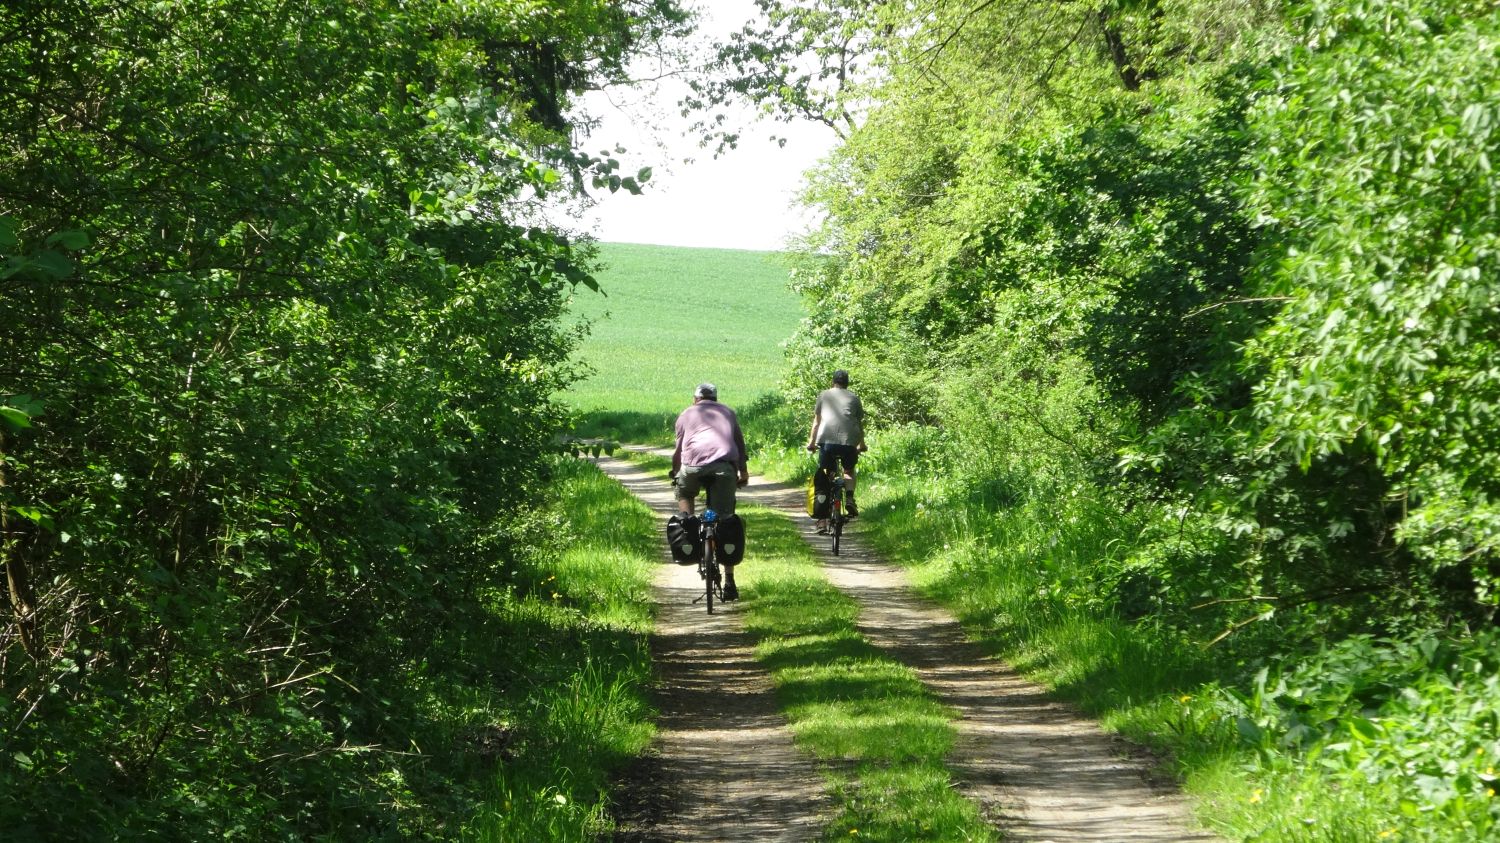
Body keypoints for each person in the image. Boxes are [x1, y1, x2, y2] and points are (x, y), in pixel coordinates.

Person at [670, 382, 749, 600]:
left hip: (692, 467)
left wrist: (675, 471)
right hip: (724, 467)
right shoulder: (728, 412)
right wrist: (743, 471)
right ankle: (730, 580)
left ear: (695, 398)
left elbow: (679, 450)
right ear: (716, 398)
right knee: (725, 520)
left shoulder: (686, 414)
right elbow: (740, 446)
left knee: (685, 494)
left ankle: (688, 526)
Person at [806, 369, 866, 533]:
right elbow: (858, 424)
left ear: (833, 382)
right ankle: (850, 498)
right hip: (848, 443)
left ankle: (822, 521)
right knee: (848, 470)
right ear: (847, 383)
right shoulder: (854, 398)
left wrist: (811, 443)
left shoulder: (824, 395)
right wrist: (862, 444)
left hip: (827, 442)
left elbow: (817, 422)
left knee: (826, 475)